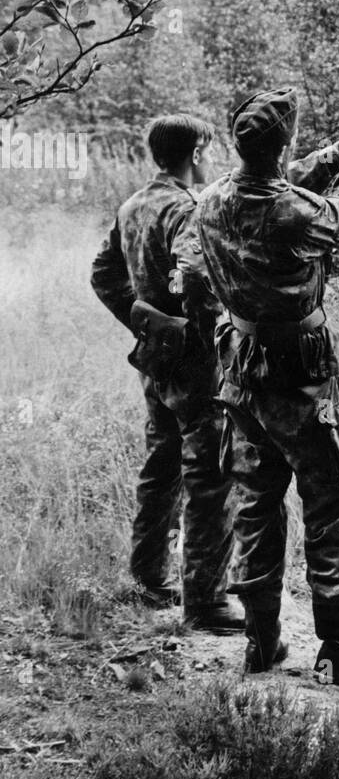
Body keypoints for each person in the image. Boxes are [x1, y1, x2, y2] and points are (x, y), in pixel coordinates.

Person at [179, 86, 339, 684]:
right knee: (333, 503)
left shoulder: (214, 197)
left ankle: (261, 639)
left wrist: (338, 147)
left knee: (257, 505)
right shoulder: (293, 213)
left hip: (243, 375)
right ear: (285, 143)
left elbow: (285, 179)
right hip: (301, 378)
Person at [90, 114, 240, 630]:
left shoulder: (133, 204)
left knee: (160, 467)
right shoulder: (187, 209)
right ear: (196, 151)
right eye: (209, 149)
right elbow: (195, 275)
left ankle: (147, 579)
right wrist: (208, 327)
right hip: (195, 360)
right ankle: (207, 602)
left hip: (154, 358)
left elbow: (103, 272)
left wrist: (142, 318)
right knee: (209, 473)